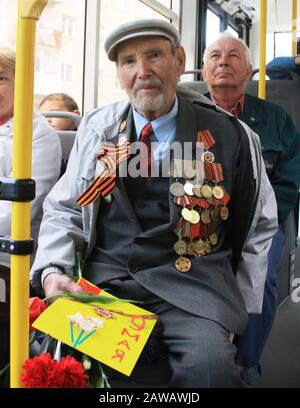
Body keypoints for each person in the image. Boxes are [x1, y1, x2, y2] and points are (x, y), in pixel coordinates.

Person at [30, 19, 277, 388]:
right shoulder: (99, 129)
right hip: (107, 283)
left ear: (179, 61)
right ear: (119, 74)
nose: (142, 72)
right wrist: (52, 271)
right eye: (129, 62)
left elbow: (256, 228)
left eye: (154, 56)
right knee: (64, 366)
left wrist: (235, 311)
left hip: (196, 288)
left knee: (210, 370)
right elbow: (65, 209)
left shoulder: (232, 136)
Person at [202, 32, 300, 383]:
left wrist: (262, 217)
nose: (223, 62)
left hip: (261, 221)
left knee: (263, 280)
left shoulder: (276, 121)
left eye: (232, 56)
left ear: (249, 73)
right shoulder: (186, 115)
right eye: (214, 56)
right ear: (203, 71)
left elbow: (289, 179)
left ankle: (245, 364)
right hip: (198, 217)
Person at [0, 47, 62, 244]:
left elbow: (15, 213)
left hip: (11, 251)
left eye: (1, 78)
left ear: (21, 83)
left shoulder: (39, 136)